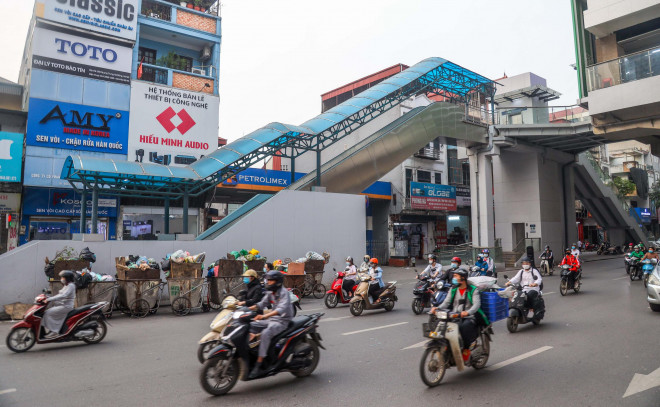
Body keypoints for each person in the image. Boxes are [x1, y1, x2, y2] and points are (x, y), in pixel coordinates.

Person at [431, 268, 487, 363]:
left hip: (469, 317)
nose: (454, 278)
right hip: (455, 315)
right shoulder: (453, 289)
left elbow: (476, 305)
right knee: (441, 324)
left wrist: (468, 312)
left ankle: (466, 348)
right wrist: (437, 308)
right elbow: (446, 302)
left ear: (463, 278)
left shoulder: (473, 290)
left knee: (463, 327)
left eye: (456, 276)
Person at [247, 270, 293, 379]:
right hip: (272, 319)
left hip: (282, 321)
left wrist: (263, 316)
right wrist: (247, 309)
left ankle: (259, 363)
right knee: (252, 325)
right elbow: (262, 304)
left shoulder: (283, 293)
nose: (268, 282)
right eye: (268, 280)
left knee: (265, 333)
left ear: (277, 282)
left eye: (271, 280)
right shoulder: (270, 292)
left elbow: (280, 310)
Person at [506, 257, 545, 322]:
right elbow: (516, 278)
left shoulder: (534, 271)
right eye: (523, 263)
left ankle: (531, 310)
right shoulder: (521, 271)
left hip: (534, 289)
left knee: (529, 295)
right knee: (516, 295)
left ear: (530, 264)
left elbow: (539, 279)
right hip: (524, 289)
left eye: (526, 263)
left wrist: (535, 283)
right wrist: (509, 282)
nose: (525, 264)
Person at [42, 270, 76, 338]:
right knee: (47, 312)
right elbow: (60, 294)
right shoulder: (67, 285)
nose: (62, 279)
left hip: (67, 306)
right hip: (62, 305)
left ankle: (54, 332)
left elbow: (63, 295)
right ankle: (53, 330)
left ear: (67, 278)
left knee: (48, 313)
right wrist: (48, 297)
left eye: (63, 277)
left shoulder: (71, 286)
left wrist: (49, 299)